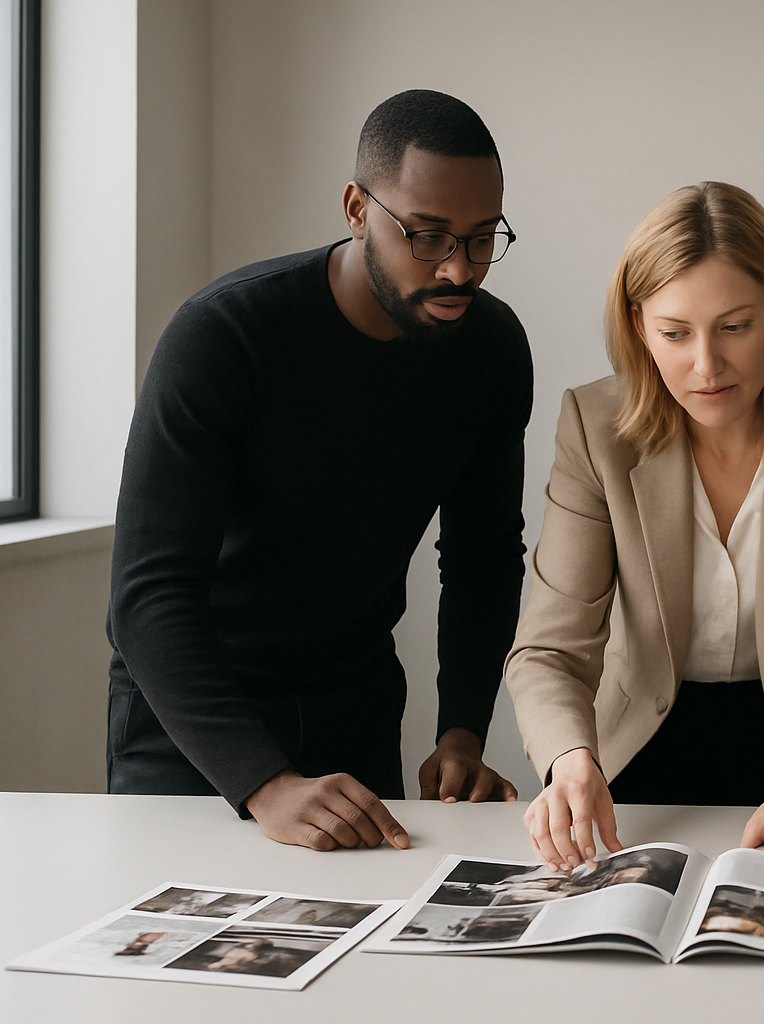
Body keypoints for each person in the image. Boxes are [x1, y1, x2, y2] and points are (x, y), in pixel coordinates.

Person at [106, 90, 532, 851]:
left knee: (368, 952)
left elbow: (483, 558)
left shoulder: (492, 350)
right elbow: (147, 595)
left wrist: (462, 732)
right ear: (355, 207)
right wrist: (265, 786)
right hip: (196, 723)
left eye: (479, 239)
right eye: (428, 236)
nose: (459, 271)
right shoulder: (224, 335)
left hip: (355, 711)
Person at [505, 182, 764, 879]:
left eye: (735, 326)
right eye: (675, 333)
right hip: (636, 752)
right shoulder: (593, 427)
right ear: (638, 326)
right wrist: (570, 759)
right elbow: (548, 649)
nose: (706, 365)